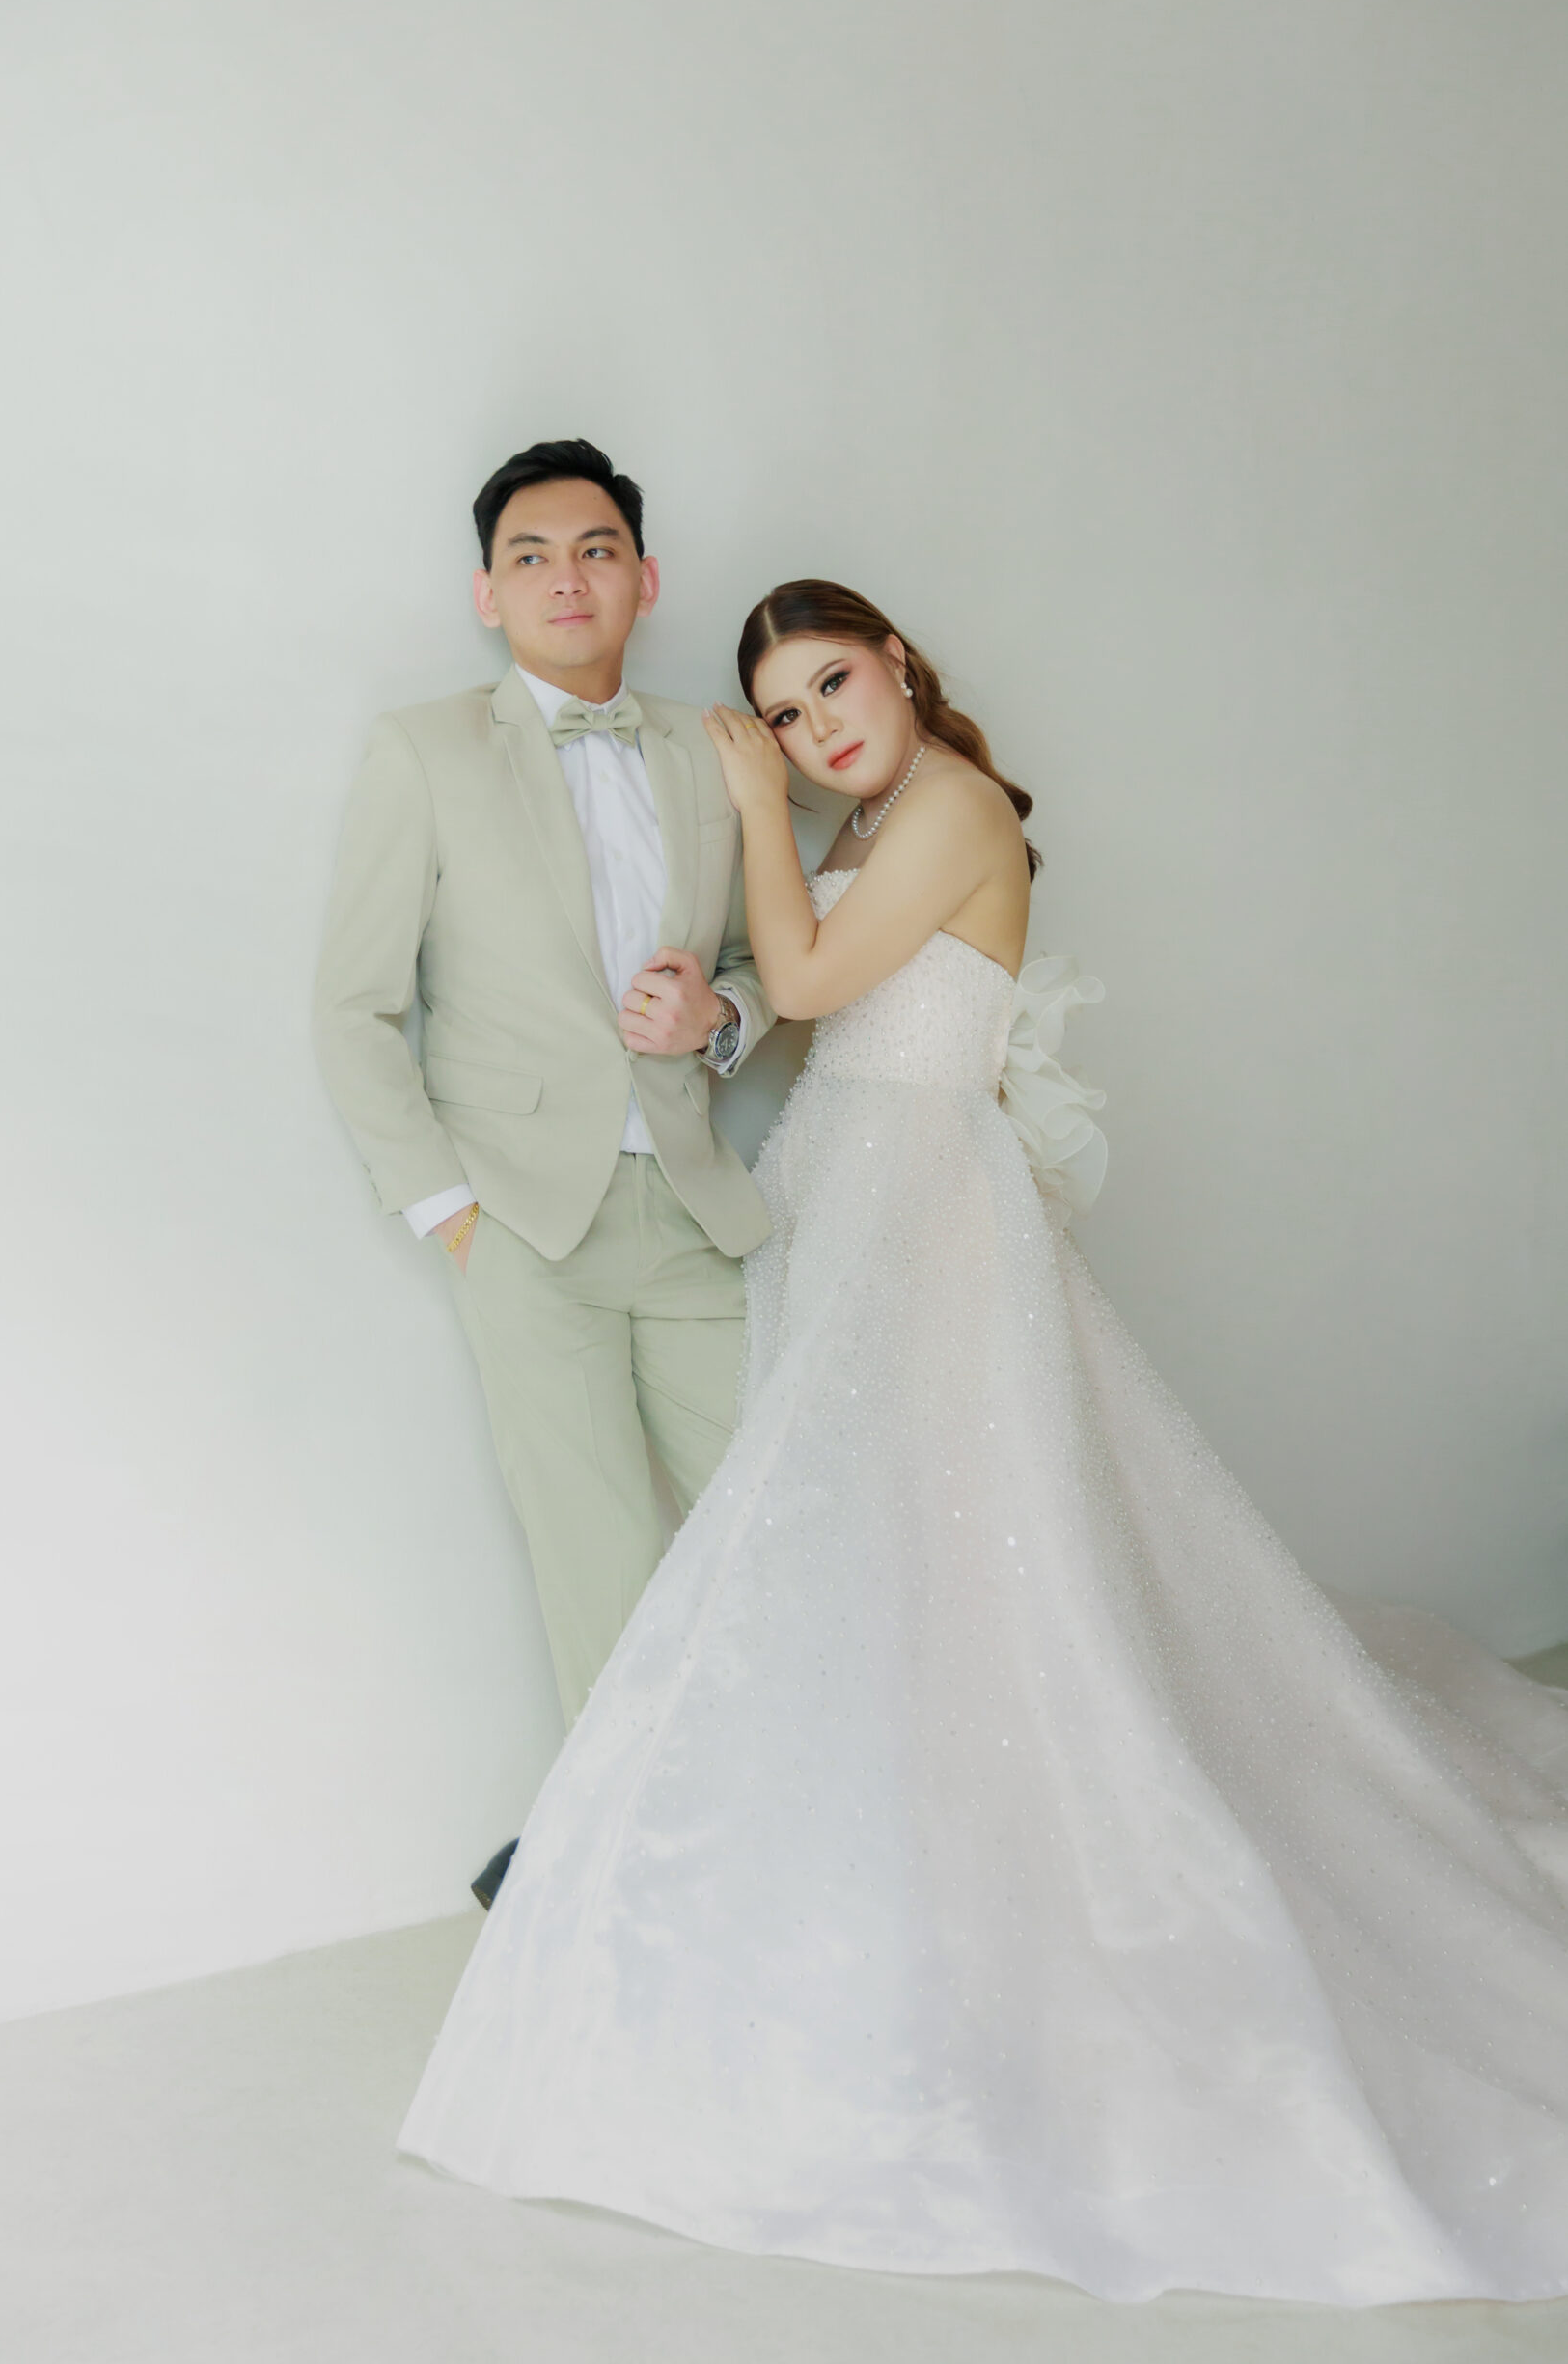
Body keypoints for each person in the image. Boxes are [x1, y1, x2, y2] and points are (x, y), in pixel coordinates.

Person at [396, 580, 1568, 2304]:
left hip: (925, 1202)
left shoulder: (946, 804)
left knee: (957, 1543)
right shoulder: (880, 820)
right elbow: (803, 1004)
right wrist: (712, 1007)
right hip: (849, 1185)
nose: (812, 732)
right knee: (889, 1549)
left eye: (830, 685)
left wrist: (751, 813)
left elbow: (809, 970)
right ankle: (885, 1859)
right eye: (782, 716)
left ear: (897, 662)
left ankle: (1012, 1871)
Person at [313, 440, 794, 1908]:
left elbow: (766, 960)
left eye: (595, 550)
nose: (565, 578)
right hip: (524, 1223)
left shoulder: (717, 752)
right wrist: (453, 1215)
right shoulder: (423, 751)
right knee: (599, 1569)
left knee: (783, 1524)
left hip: (697, 1208)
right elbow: (354, 1009)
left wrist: (720, 1018)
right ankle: (632, 1889)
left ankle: (789, 1834)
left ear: (645, 580)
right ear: (488, 594)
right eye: (531, 555)